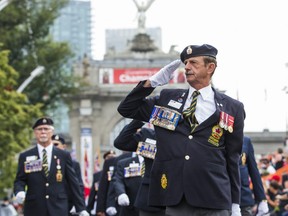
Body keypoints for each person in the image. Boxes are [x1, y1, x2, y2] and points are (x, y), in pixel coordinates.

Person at [117, 44, 246, 216]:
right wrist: (151, 83)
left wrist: (235, 202)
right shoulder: (166, 99)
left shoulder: (232, 107)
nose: (186, 67)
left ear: (210, 67)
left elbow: (232, 157)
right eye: (185, 63)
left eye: (193, 62)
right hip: (176, 197)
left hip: (214, 195)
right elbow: (127, 109)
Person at [13, 117, 89, 216]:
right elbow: (20, 179)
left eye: (46, 129)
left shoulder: (63, 155)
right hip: (34, 208)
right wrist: (19, 191)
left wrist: (81, 207)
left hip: (58, 207)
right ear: (35, 133)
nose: (43, 132)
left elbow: (73, 183)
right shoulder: (26, 156)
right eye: (39, 129)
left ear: (52, 132)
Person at [113, 119, 165, 216]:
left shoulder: (184, 136)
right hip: (150, 199)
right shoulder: (148, 135)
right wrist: (140, 119)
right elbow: (120, 142)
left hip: (179, 197)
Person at [51, 134, 85, 216]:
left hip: (68, 203)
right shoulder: (47, 163)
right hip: (51, 203)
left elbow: (78, 185)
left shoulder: (74, 164)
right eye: (51, 145)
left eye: (56, 144)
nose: (53, 147)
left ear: (64, 146)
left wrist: (77, 204)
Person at [240, 136, 269, 216]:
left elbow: (254, 171)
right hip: (222, 199)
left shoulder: (245, 141)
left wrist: (262, 199)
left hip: (243, 198)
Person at [87, 150, 116, 215]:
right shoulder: (97, 175)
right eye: (109, 157)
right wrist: (95, 209)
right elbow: (94, 193)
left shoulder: (118, 170)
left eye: (113, 157)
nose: (111, 159)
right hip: (104, 206)